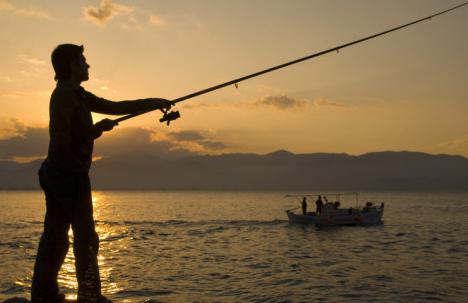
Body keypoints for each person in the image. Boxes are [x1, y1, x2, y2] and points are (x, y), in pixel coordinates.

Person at [31, 44, 172, 303]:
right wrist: (96, 130)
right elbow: (60, 141)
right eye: (83, 60)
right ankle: (88, 296)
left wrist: (154, 103)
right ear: (72, 65)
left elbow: (116, 106)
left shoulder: (79, 95)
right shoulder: (62, 96)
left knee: (57, 238)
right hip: (66, 177)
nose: (88, 65)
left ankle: (45, 295)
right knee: (83, 239)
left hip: (65, 176)